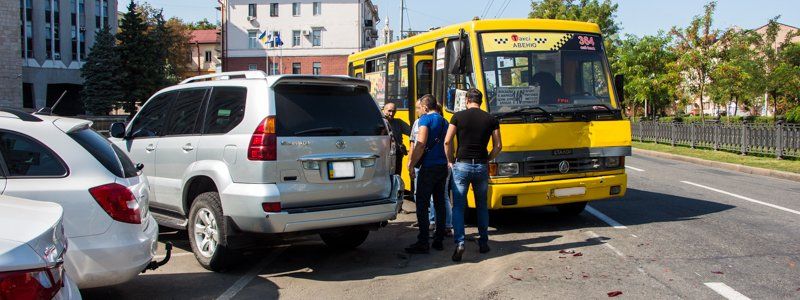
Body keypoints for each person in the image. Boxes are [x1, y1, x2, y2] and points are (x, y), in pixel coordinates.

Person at [445, 88, 502, 262]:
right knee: (482, 206)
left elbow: (448, 141)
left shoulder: (457, 117)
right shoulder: (491, 119)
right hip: (481, 167)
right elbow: (498, 145)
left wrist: (450, 160)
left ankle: (460, 242)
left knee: (458, 207)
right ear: (481, 101)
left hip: (461, 165)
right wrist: (487, 159)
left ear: (467, 100)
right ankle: (483, 242)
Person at [405, 95, 450, 254]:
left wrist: (411, 163)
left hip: (429, 167)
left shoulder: (425, 120)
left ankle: (423, 241)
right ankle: (439, 239)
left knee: (422, 204)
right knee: (439, 203)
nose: (419, 110)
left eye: (420, 108)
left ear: (425, 107)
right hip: (442, 166)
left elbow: (421, 143)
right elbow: (447, 143)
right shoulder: (445, 121)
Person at [382, 102, 409, 175]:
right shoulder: (380, 122)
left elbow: (411, 132)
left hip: (397, 154)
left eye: (393, 111)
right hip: (384, 154)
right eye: (389, 111)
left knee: (396, 175)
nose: (391, 114)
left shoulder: (398, 122)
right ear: (384, 110)